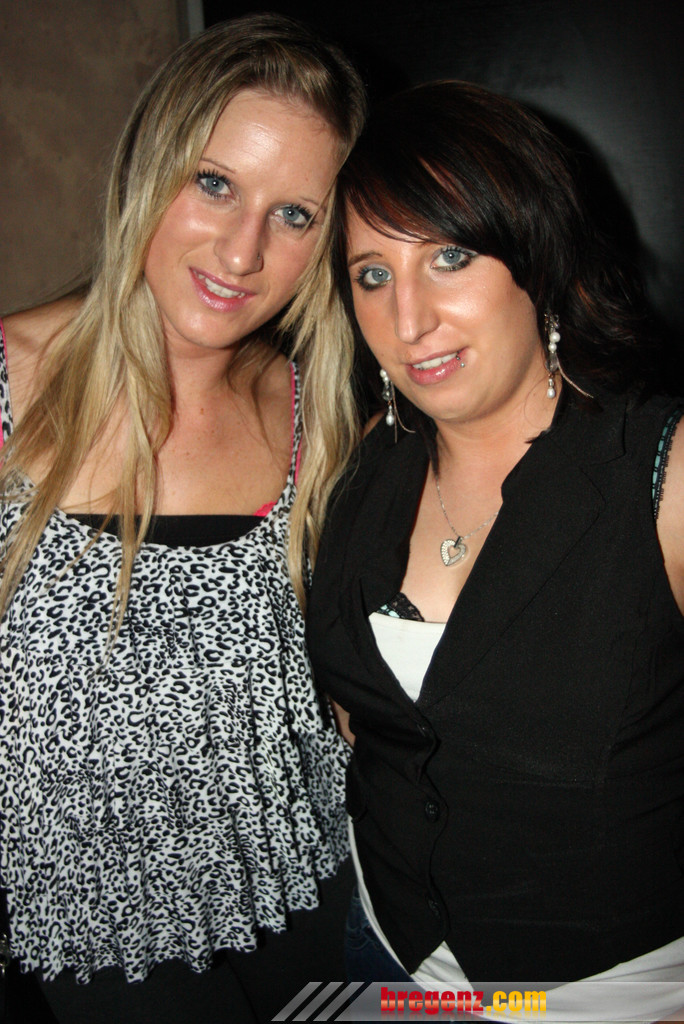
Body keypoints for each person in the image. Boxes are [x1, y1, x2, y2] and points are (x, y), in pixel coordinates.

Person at [0, 14, 365, 1023]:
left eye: (294, 215)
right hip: (97, 964)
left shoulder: (319, 414)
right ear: (147, 170)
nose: (243, 250)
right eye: (214, 183)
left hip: (325, 922)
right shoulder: (9, 385)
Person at [306, 81, 684, 1022]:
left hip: (612, 994)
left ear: (537, 256)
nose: (409, 320)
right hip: (388, 958)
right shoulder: (367, 463)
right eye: (373, 275)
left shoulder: (664, 472)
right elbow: (372, 717)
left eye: (450, 256)